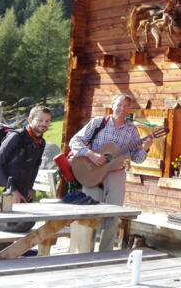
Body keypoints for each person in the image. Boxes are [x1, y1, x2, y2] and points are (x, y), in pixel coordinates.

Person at [69, 93, 153, 251]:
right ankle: (85, 251)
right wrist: (91, 154)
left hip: (116, 173)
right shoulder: (99, 122)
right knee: (90, 213)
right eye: (119, 104)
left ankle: (105, 253)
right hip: (92, 171)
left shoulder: (132, 130)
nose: (121, 108)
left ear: (129, 109)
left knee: (113, 215)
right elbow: (74, 141)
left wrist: (146, 148)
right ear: (112, 105)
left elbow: (137, 158)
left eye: (126, 105)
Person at [0, 105, 53, 232]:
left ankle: (19, 252)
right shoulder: (15, 137)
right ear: (30, 120)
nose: (44, 124)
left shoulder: (41, 142)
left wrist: (30, 188)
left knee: (27, 224)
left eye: (47, 121)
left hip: (24, 192)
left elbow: (34, 167)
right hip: (4, 192)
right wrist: (13, 191)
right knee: (7, 230)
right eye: (40, 120)